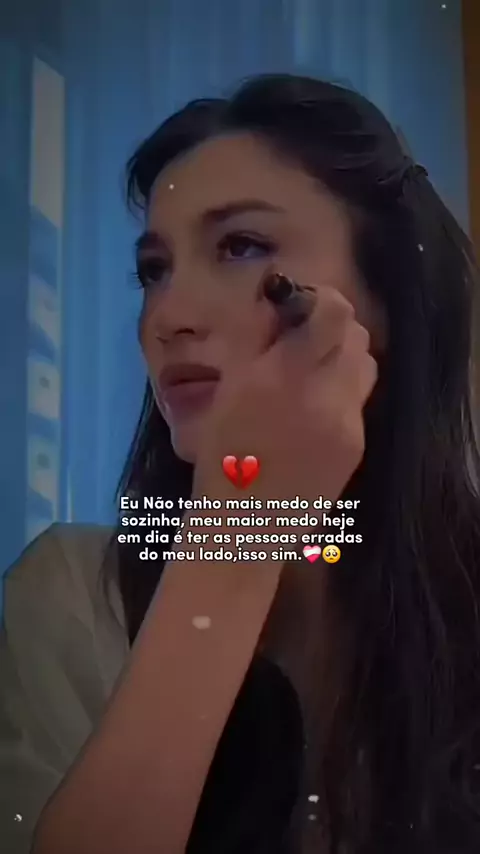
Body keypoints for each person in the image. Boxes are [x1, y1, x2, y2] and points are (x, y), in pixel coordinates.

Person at [1, 73, 480, 854]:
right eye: (154, 269)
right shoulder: (72, 600)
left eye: (241, 247)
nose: (168, 316)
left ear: (387, 302)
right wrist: (241, 522)